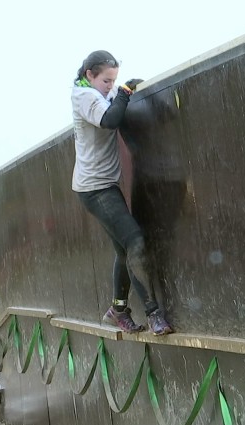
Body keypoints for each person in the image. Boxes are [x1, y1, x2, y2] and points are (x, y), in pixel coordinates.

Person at [71, 50, 174, 335]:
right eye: (106, 80)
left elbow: (116, 102)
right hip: (95, 188)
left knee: (122, 249)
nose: (110, 85)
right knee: (135, 241)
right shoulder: (83, 96)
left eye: (114, 80)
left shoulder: (99, 91)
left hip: (105, 185)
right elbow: (110, 120)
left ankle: (117, 310)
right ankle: (154, 314)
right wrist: (126, 91)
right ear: (89, 75)